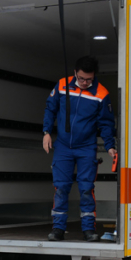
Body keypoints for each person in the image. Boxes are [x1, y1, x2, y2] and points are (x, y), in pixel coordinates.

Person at [43, 56, 117, 242]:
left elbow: (107, 123)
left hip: (86, 148)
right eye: (82, 78)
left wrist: (110, 146)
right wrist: (46, 132)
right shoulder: (62, 85)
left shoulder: (101, 93)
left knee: (86, 188)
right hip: (63, 146)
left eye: (89, 79)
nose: (85, 83)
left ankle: (88, 229)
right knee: (61, 187)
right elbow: (50, 109)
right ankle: (58, 229)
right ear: (75, 73)